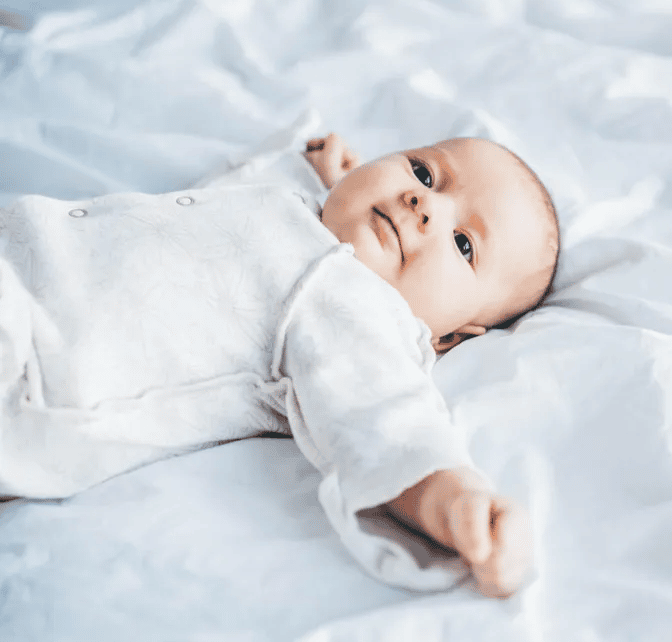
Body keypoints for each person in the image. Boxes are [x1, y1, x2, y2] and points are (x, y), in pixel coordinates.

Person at [0, 130, 560, 598]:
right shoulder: (293, 203)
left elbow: (388, 420)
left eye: (463, 245)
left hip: (31, 362)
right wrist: (320, 170)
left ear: (449, 338)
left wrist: (451, 498)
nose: (425, 203)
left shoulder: (355, 307)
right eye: (424, 172)